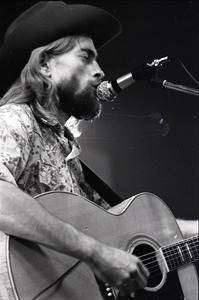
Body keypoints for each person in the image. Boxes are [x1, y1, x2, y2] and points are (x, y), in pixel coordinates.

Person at [0, 2, 198, 299]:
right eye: (86, 57)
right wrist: (97, 253)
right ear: (44, 65)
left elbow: (128, 229)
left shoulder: (65, 148)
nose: (100, 71)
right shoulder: (14, 119)